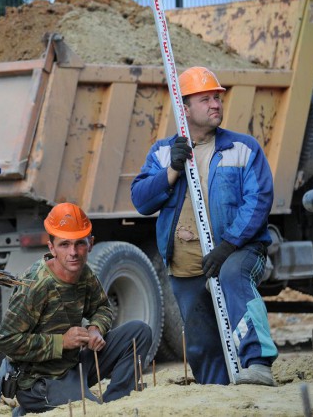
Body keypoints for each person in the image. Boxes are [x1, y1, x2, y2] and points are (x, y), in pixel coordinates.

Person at [131, 67, 278, 386]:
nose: (216, 104)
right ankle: (217, 390)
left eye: (217, 98)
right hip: (186, 266)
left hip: (239, 251)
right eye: (206, 99)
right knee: (199, 343)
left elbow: (259, 200)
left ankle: (258, 363)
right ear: (184, 108)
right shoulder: (163, 153)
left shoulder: (243, 148)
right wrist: (171, 170)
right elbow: (141, 201)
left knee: (232, 276)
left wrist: (228, 246)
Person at [0, 202, 152, 414]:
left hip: (73, 366)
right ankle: (29, 408)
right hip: (38, 382)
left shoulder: (84, 273)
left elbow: (102, 308)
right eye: (64, 245)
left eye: (79, 244)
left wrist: (96, 328)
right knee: (88, 410)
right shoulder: (35, 284)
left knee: (139, 332)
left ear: (91, 244)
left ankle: (115, 402)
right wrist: (62, 341)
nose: (73, 252)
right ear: (51, 248)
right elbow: (5, 341)